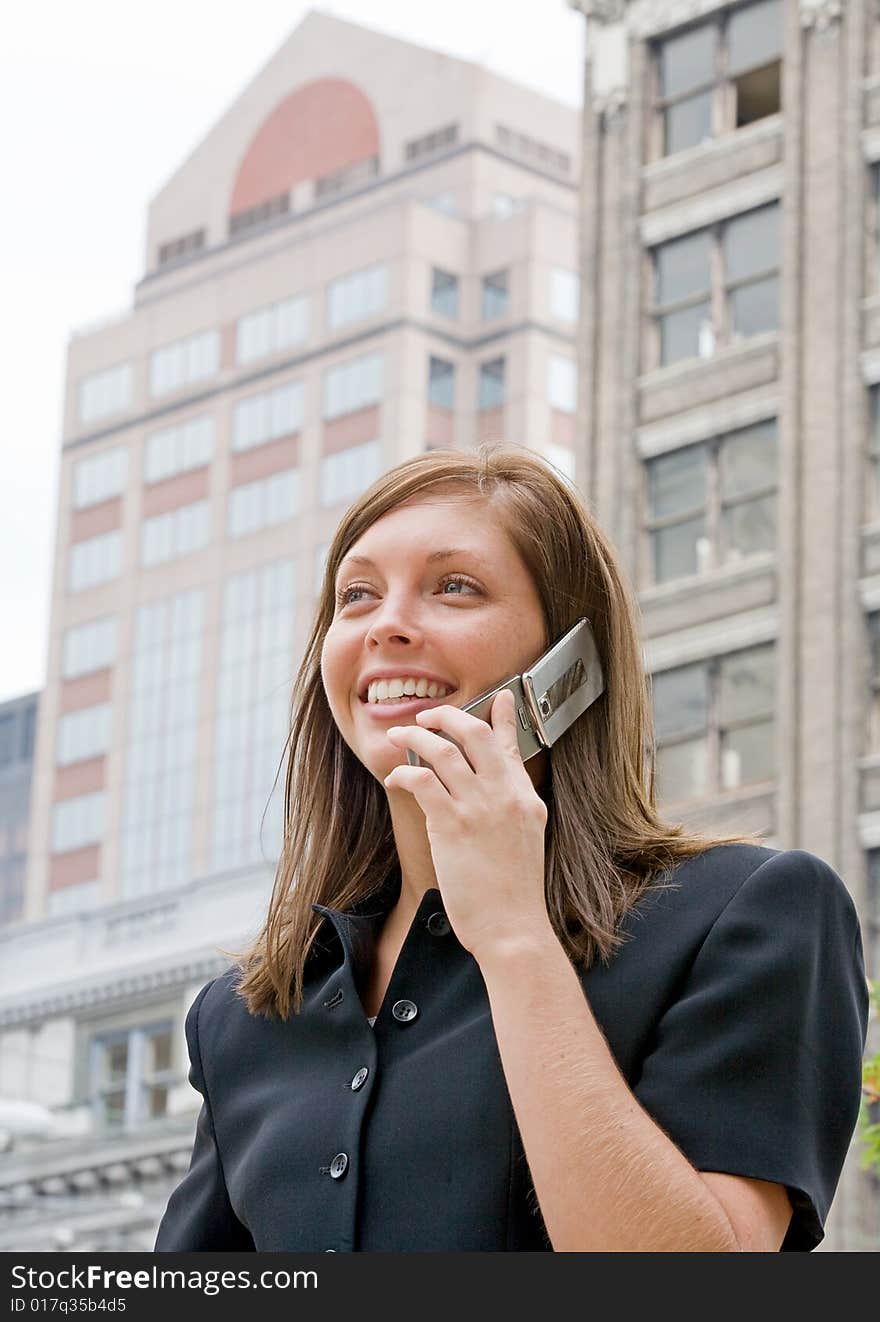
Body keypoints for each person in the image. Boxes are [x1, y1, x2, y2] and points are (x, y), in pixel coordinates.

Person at [154, 442, 869, 1253]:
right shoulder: (244, 1016)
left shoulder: (748, 914)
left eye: (453, 587)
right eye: (357, 596)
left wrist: (514, 936)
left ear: (571, 662)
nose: (387, 624)